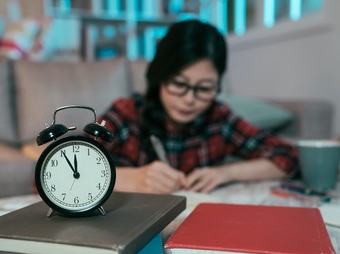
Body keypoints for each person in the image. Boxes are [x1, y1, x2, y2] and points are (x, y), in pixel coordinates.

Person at [99, 19, 299, 194]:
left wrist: (226, 173)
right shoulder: (126, 114)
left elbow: (288, 156)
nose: (189, 99)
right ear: (159, 77)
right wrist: (130, 179)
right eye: (179, 84)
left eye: (204, 88)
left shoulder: (218, 119)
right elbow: (71, 162)